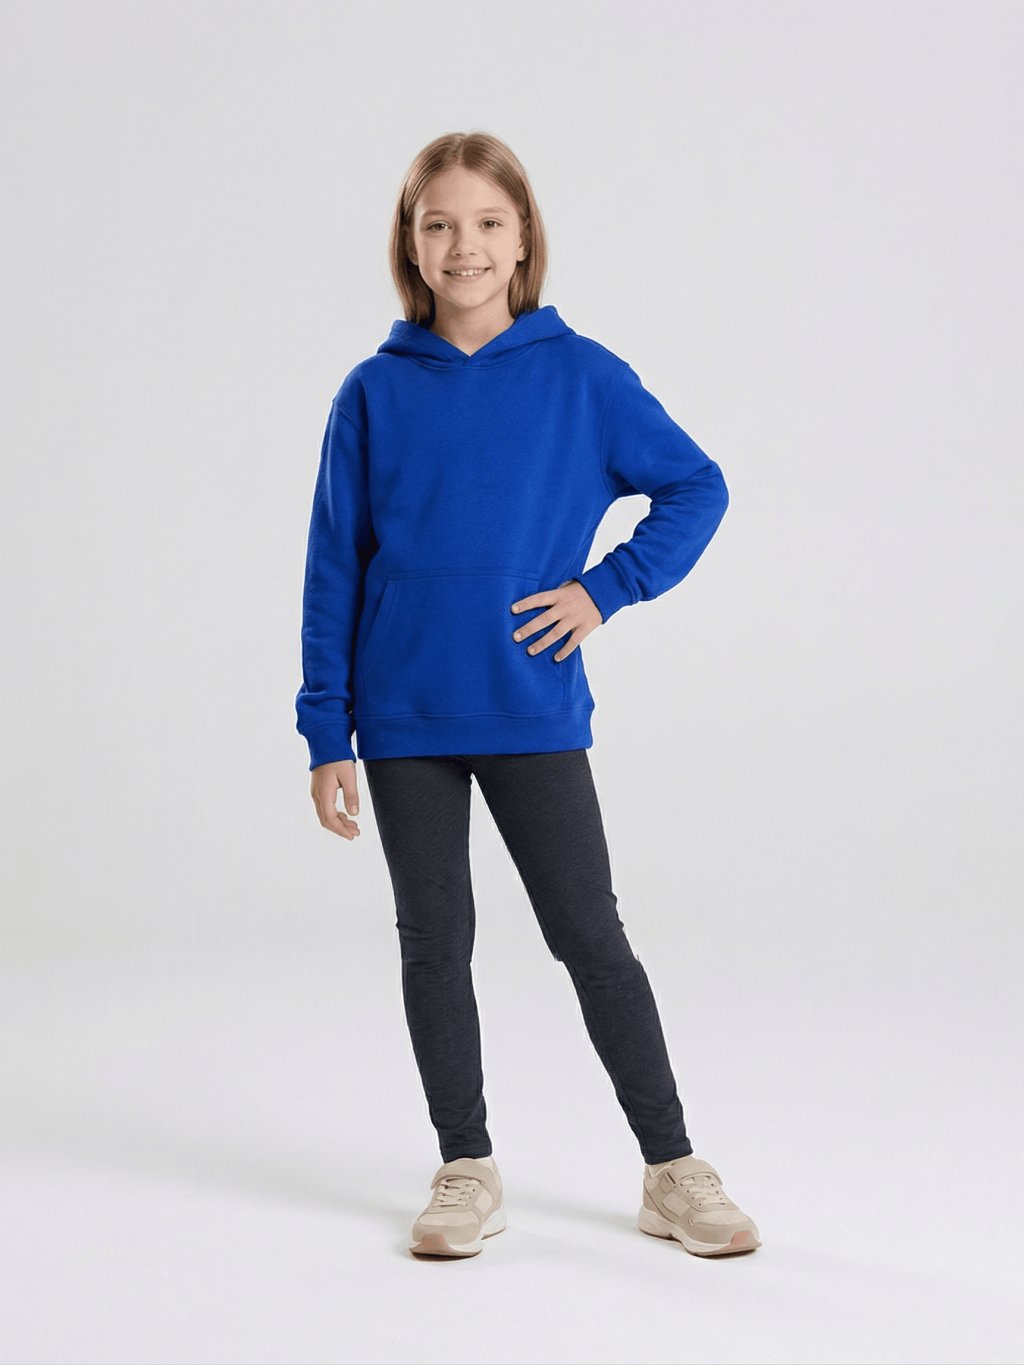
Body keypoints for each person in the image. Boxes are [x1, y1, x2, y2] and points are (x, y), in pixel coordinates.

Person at [295, 130, 761, 1260]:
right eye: (439, 224)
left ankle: (671, 1167)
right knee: (433, 942)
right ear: (411, 244)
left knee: (590, 936)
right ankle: (465, 1166)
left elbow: (696, 485)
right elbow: (332, 565)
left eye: (487, 223)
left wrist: (605, 590)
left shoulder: (581, 377)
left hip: (529, 707)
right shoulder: (372, 392)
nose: (464, 245)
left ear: (522, 240)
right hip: (401, 719)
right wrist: (325, 727)